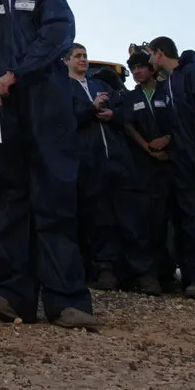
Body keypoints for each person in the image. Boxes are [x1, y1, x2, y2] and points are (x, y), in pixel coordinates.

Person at [0, 0, 96, 329]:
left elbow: (58, 35)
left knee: (52, 198)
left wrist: (16, 73)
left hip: (43, 105)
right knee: (6, 200)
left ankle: (66, 302)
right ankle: (11, 297)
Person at [66, 43, 158, 295]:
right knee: (99, 219)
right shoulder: (64, 89)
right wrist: (90, 109)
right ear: (66, 61)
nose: (84, 60)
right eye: (78, 56)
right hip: (88, 162)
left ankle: (142, 272)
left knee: (132, 218)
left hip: (119, 160)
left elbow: (126, 109)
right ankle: (105, 269)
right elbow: (65, 119)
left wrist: (112, 114)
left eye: (85, 56)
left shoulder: (102, 85)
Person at [149, 37, 195, 298]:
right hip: (184, 163)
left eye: (149, 55)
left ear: (159, 53)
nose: (148, 61)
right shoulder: (167, 85)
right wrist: (167, 140)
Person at [122, 50, 173, 289]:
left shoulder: (168, 92)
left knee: (167, 220)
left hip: (171, 165)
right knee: (143, 220)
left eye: (140, 67)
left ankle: (167, 274)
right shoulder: (131, 98)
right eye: (133, 70)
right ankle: (146, 275)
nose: (137, 72)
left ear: (151, 68)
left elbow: (179, 120)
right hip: (142, 168)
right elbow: (128, 126)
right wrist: (147, 147)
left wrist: (168, 140)